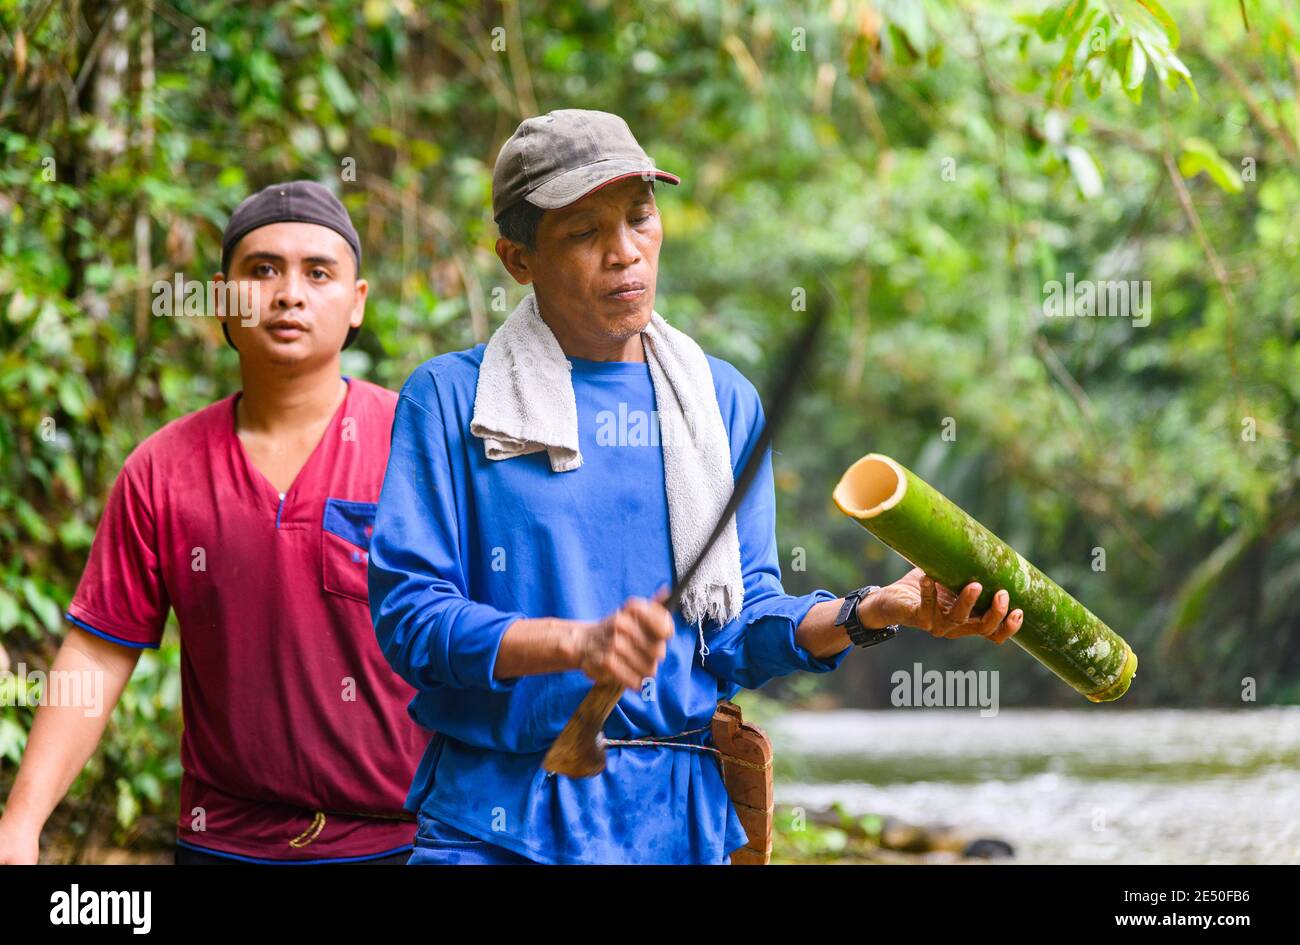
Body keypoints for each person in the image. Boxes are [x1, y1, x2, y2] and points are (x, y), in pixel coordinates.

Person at [368, 110, 1024, 864]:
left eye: (640, 219)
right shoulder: (455, 400)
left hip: (672, 826)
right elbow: (412, 620)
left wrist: (872, 611)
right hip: (494, 826)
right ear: (518, 259)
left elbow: (739, 629)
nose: (626, 254)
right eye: (584, 233)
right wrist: (575, 644)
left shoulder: (719, 402)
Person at [0, 181, 430, 865]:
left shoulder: (418, 446)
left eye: (318, 273)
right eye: (262, 270)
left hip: (406, 843)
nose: (289, 293)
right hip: (225, 844)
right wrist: (19, 824)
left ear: (357, 303)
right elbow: (100, 651)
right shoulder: (162, 470)